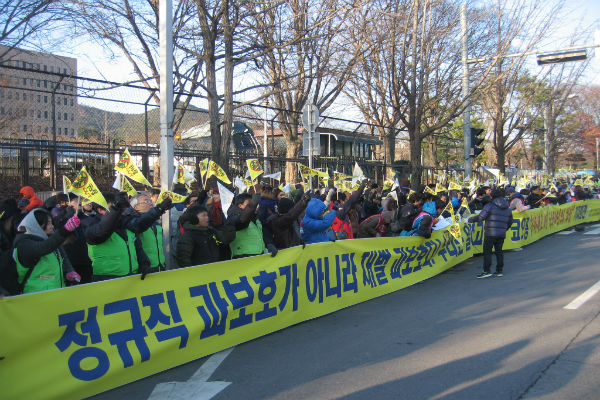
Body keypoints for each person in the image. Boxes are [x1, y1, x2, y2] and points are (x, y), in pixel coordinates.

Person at [13, 208, 81, 294]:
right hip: (35, 296)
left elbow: (62, 257)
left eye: (52, 223)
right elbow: (43, 248)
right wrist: (65, 230)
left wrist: (68, 272)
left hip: (56, 294)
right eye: (48, 223)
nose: (52, 226)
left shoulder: (49, 238)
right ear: (36, 224)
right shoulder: (24, 244)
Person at [468, 187, 513, 278]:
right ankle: (499, 270)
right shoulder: (507, 208)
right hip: (501, 233)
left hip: (490, 232)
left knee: (487, 252)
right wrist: (504, 229)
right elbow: (510, 221)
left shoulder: (490, 206)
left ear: (492, 196)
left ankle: (486, 270)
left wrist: (470, 220)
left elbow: (481, 217)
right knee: (499, 251)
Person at [226, 192, 277, 258]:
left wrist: (269, 243)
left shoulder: (256, 218)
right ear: (240, 205)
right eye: (249, 204)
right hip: (242, 258)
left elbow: (261, 233)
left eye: (256, 204)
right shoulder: (233, 217)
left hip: (259, 256)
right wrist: (253, 204)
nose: (256, 206)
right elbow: (241, 221)